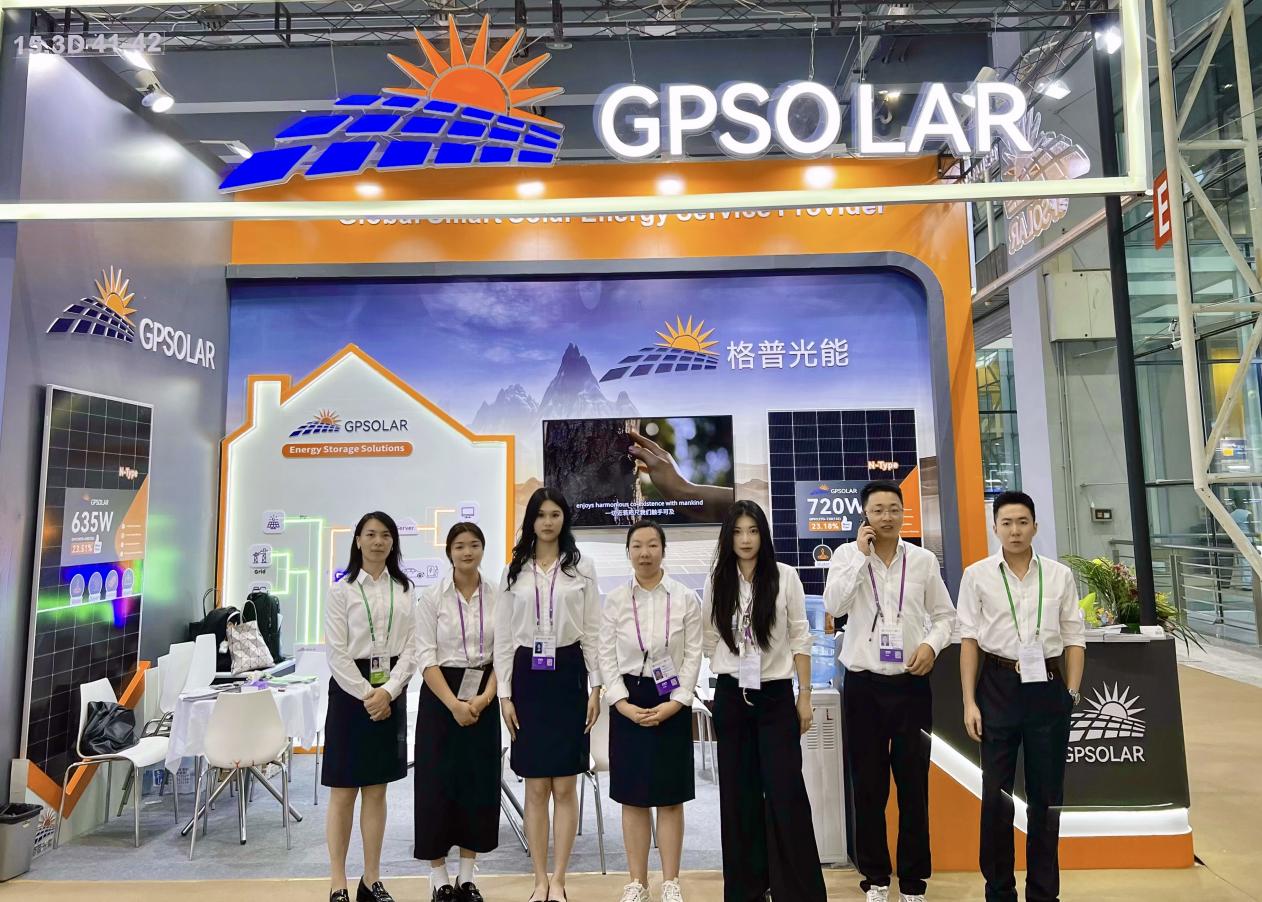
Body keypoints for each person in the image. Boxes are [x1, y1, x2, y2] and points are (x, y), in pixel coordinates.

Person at [823, 480, 956, 902]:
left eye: (893, 509)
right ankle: (876, 879)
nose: (886, 517)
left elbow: (945, 616)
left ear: (903, 514)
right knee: (869, 788)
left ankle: (913, 884)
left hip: (911, 685)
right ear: (864, 515)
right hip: (863, 686)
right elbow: (834, 606)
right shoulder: (846, 556)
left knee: (913, 788)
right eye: (877, 510)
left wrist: (930, 645)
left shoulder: (922, 561)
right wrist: (860, 557)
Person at [958, 491, 1086, 902]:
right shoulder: (977, 575)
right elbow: (969, 640)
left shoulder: (1059, 575)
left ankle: (1044, 893)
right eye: (1007, 523)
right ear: (995, 528)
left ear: (1035, 526)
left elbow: (1074, 637)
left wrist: (1071, 692)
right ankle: (999, 891)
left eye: (1022, 522)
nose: (1015, 530)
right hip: (997, 685)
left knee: (1046, 799)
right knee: (996, 796)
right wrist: (969, 701)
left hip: (1047, 687)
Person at [701, 500, 827, 902]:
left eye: (753, 531)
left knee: (786, 793)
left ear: (763, 535)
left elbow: (800, 637)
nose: (745, 539)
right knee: (738, 798)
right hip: (731, 695)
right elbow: (708, 636)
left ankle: (797, 892)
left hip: (775, 697)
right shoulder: (717, 580)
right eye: (738, 532)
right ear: (728, 537)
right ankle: (747, 890)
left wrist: (804, 695)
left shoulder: (785, 576)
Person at [493, 487, 602, 902]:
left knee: (565, 786)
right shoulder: (513, 571)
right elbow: (504, 638)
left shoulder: (581, 567)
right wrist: (505, 694)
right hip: (528, 679)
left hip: (569, 674)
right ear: (531, 521)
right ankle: (539, 879)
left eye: (555, 514)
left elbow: (592, 630)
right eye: (541, 514)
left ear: (564, 519)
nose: (548, 522)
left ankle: (559, 879)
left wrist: (596, 686)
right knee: (536, 786)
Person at [599, 521, 703, 902]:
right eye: (637, 546)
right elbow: (605, 655)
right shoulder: (614, 600)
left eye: (652, 545)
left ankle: (671, 882)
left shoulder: (684, 597)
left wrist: (677, 701)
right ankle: (637, 883)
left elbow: (693, 653)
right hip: (629, 697)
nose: (645, 553)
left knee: (671, 796)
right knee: (633, 797)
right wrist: (620, 702)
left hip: (670, 695)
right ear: (628, 552)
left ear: (663, 550)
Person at [323, 511, 419, 902]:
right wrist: (369, 694)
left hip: (390, 690)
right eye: (371, 534)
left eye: (385, 535)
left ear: (393, 542)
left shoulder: (405, 589)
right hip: (351, 695)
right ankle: (337, 882)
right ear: (358, 540)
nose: (378, 542)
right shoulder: (341, 590)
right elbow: (336, 653)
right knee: (344, 792)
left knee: (377, 791)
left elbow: (412, 648)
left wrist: (389, 692)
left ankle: (372, 879)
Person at [414, 522, 501, 902]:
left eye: (474, 545)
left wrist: (483, 700)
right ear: (449, 551)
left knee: (477, 785)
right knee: (435, 787)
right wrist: (453, 704)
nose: (468, 552)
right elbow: (425, 656)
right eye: (460, 546)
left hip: (484, 693)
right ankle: (438, 878)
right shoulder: (432, 598)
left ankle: (467, 877)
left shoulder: (497, 595)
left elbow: (504, 653)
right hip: (441, 697)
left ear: (483, 549)